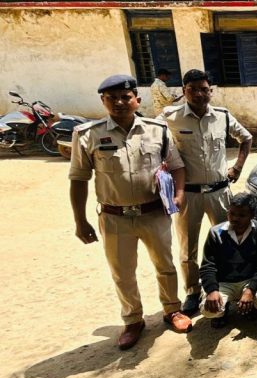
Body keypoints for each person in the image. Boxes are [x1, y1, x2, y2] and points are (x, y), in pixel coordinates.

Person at [69, 74, 192, 350]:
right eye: (111, 98)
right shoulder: (88, 135)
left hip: (154, 213)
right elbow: (78, 179)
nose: (119, 103)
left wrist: (179, 195)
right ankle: (133, 319)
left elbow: (176, 166)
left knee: (165, 265)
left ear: (137, 99)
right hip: (115, 217)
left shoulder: (157, 130)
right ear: (103, 101)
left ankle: (172, 309)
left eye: (125, 97)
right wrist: (80, 221)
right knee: (123, 273)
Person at [158, 69, 254, 315]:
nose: (199, 94)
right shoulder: (170, 117)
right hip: (188, 194)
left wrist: (237, 167)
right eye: (192, 90)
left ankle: (223, 288)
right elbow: (154, 141)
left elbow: (246, 138)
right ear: (184, 91)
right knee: (187, 247)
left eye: (204, 89)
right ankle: (192, 292)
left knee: (228, 242)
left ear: (210, 91)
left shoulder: (222, 116)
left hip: (218, 193)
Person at [199, 193, 257, 328]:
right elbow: (208, 266)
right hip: (224, 282)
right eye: (232, 214)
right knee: (208, 310)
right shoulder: (216, 232)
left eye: (242, 215)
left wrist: (250, 290)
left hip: (249, 280)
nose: (235, 219)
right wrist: (212, 290)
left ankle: (251, 306)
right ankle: (223, 311)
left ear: (252, 215)